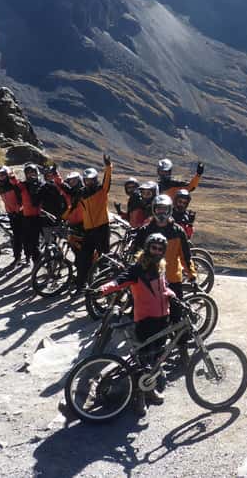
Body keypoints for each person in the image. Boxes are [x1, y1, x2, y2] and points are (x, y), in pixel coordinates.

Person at [98, 232, 176, 407]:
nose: (156, 251)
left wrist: (171, 294)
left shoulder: (161, 267)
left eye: (160, 249)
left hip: (162, 319)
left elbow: (164, 288)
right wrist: (103, 289)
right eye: (153, 248)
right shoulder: (138, 268)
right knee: (143, 361)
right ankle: (139, 398)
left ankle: (150, 390)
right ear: (147, 248)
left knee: (155, 358)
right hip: (145, 321)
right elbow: (120, 280)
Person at [134, 194, 195, 365]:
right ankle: (149, 360)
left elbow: (186, 256)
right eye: (158, 209)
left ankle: (182, 350)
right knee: (151, 322)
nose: (161, 213)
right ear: (153, 210)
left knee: (178, 318)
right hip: (151, 283)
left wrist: (191, 274)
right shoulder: (145, 231)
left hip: (173, 280)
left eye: (164, 209)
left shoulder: (177, 231)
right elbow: (136, 256)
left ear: (170, 211)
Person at [75, 154, 113, 294]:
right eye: (86, 180)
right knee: (84, 258)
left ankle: (107, 288)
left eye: (91, 180)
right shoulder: (82, 193)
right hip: (88, 230)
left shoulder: (101, 191)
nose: (88, 183)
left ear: (95, 180)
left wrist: (108, 167)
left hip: (102, 228)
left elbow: (107, 181)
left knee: (104, 259)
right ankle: (80, 286)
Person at [9, 163, 43, 264]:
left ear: (37, 173)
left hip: (39, 217)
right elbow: (15, 183)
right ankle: (29, 258)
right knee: (27, 240)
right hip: (27, 217)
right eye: (28, 173)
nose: (31, 175)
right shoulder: (23, 185)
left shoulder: (41, 185)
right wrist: (11, 176)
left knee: (35, 242)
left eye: (33, 173)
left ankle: (39, 263)